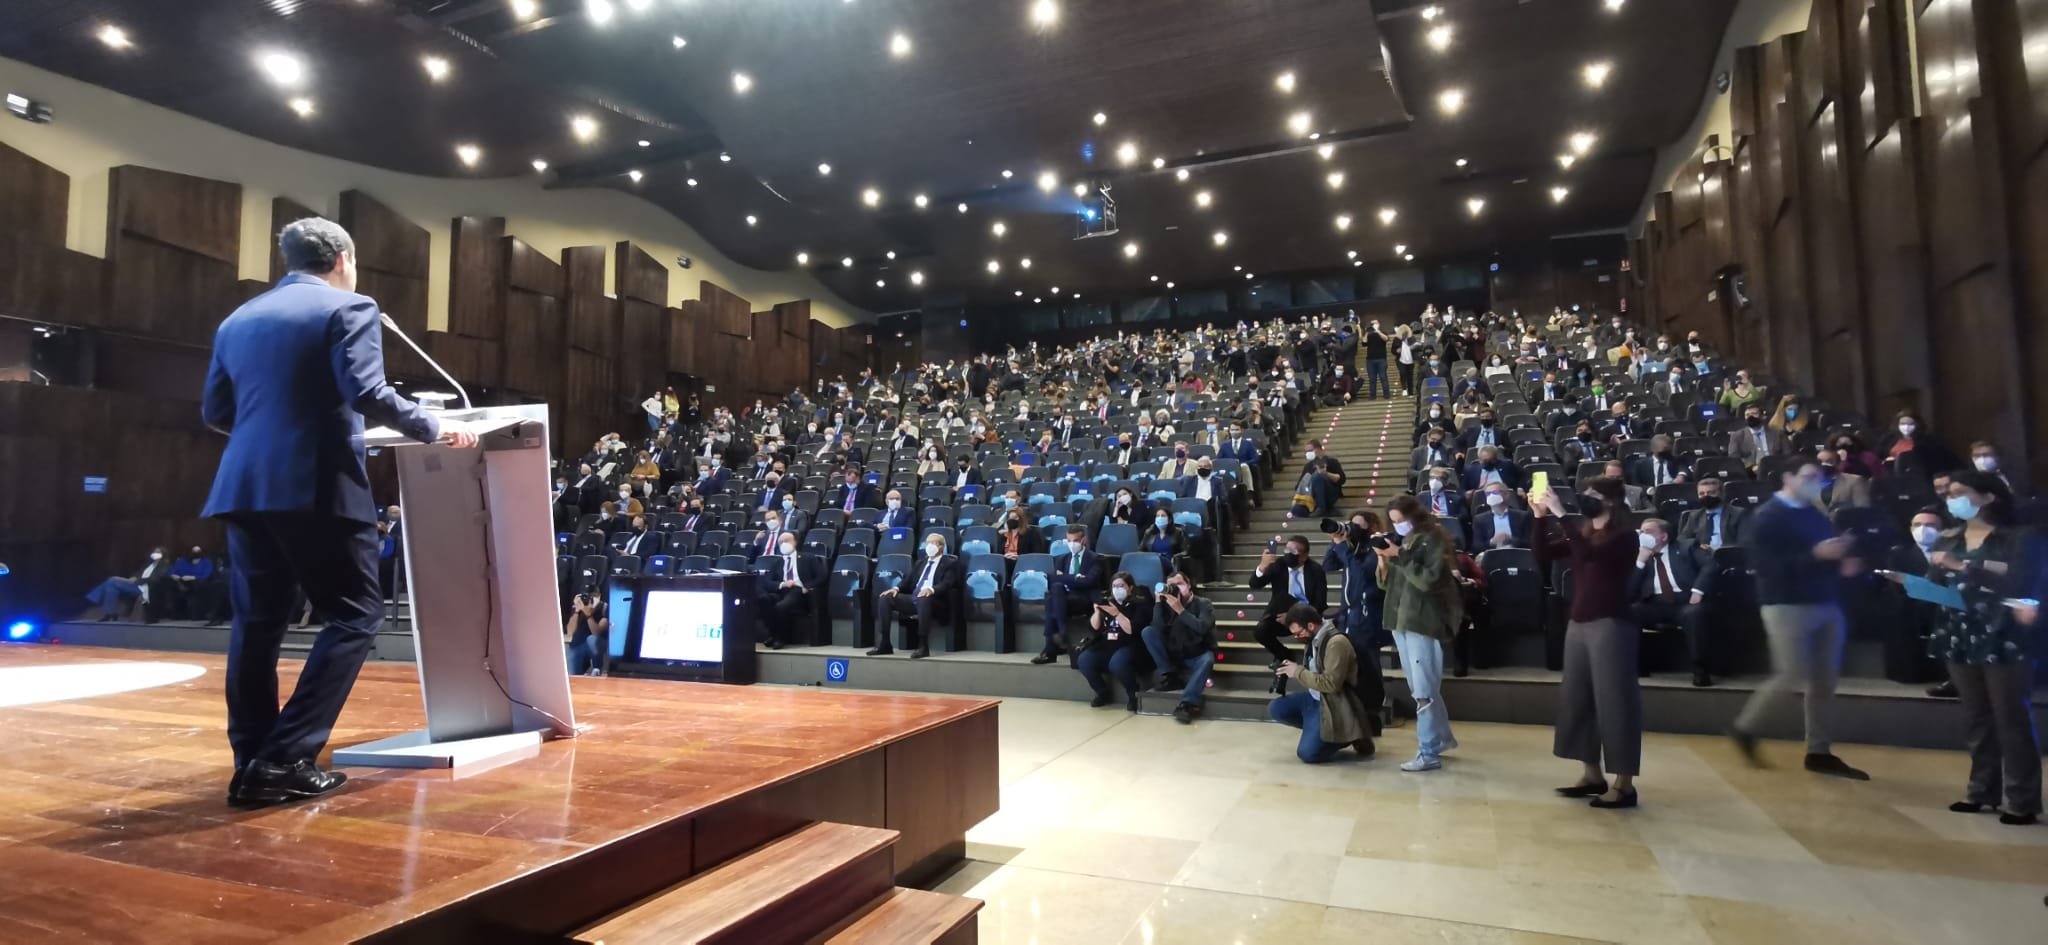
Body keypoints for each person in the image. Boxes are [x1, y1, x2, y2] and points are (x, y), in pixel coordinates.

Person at [201, 217, 477, 807]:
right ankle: (284, 757)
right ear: (344, 259)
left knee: (257, 625)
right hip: (316, 484)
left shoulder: (237, 319)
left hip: (245, 485)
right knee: (355, 614)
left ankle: (250, 759)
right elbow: (367, 392)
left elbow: (216, 410)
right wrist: (434, 425)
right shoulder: (349, 307)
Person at [1907, 471, 2040, 824]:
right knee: (1976, 717)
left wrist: (1965, 567)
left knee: (2010, 718)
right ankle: (1981, 791)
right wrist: (1913, 579)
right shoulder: (1950, 537)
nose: (1952, 499)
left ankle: (2022, 799)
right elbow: (1938, 587)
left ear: (1988, 497)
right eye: (1949, 494)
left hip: (2004, 632)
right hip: (1959, 631)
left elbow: (2019, 582)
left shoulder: (2018, 538)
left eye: (1960, 492)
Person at [1730, 461, 1869, 780]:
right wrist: (1817, 556)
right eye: (1808, 477)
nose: (1815, 482)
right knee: (1790, 673)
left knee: (1825, 680)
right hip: (1785, 604)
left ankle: (1818, 751)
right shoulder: (1766, 517)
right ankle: (1745, 728)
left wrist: (1842, 559)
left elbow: (1824, 553)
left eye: (1819, 478)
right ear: (1787, 477)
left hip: (1825, 601)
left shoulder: (1814, 513)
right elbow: (1766, 568)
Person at [1534, 475, 1644, 806]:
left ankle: (1624, 783)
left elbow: (1592, 557)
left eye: (1593, 494)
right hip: (1579, 623)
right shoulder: (1584, 532)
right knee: (1578, 700)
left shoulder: (1625, 537)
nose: (1585, 497)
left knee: (1615, 703)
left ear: (1610, 500)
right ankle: (1592, 773)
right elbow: (1542, 553)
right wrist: (1540, 517)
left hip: (1611, 623)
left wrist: (1562, 515)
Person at [1379, 495, 1461, 772]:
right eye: (1394, 522)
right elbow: (1390, 584)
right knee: (1420, 687)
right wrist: (1384, 561)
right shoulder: (1407, 541)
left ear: (1415, 516)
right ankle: (1440, 740)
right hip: (1400, 619)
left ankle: (1428, 752)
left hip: (1422, 621)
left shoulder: (1433, 538)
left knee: (1424, 690)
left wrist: (1399, 556)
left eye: (1401, 521)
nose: (1398, 526)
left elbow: (1429, 580)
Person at [1266, 604, 1378, 763]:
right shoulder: (1314, 639)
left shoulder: (1336, 643)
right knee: (1276, 708)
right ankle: (1318, 730)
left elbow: (1331, 684)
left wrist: (1298, 672)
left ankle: (1349, 734)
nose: (1297, 638)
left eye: (1298, 634)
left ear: (1311, 626)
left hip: (1335, 702)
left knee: (1308, 754)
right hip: (1315, 698)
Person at [1249, 535, 1328, 693]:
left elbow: (1319, 603)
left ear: (1304, 556)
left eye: (1294, 551)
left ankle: (1294, 669)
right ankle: (1284, 655)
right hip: (1280, 615)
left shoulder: (1316, 570)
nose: (1289, 554)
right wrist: (1262, 567)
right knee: (1261, 631)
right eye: (1287, 549)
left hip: (1307, 617)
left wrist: (1295, 616)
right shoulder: (1279, 565)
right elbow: (1254, 584)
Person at [870, 532, 963, 659]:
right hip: (914, 598)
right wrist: (895, 588)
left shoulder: (950, 563)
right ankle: (884, 643)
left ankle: (923, 645)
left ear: (941, 547)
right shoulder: (920, 562)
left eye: (933, 543)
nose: (929, 546)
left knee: (924, 598)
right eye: (927, 543)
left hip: (935, 601)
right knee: (885, 598)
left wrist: (931, 589)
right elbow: (907, 581)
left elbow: (947, 583)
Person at [1144, 572, 1220, 724]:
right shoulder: (1166, 605)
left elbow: (1202, 627)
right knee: (1148, 632)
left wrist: (1181, 611)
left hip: (1196, 653)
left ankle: (1188, 703)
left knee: (1207, 660)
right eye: (1171, 585)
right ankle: (1170, 675)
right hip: (1174, 653)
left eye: (1179, 584)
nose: (1176, 588)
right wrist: (1159, 604)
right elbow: (1157, 629)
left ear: (1188, 584)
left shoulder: (1203, 603)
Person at [1075, 572, 1154, 710]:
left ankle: (1133, 694)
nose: (1117, 589)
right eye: (1114, 586)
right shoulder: (1108, 602)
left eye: (1121, 586)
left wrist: (1117, 614)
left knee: (1117, 663)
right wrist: (1097, 612)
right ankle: (1102, 691)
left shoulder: (1140, 604)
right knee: (1084, 660)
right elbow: (1094, 628)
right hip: (1107, 644)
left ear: (1130, 587)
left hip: (1130, 644)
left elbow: (1132, 630)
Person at [1033, 525, 1100, 664]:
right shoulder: (1062, 559)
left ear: (1084, 540)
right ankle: (1062, 630)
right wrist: (1076, 578)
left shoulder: (1093, 558)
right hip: (1063, 598)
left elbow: (1089, 581)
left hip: (1083, 599)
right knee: (1056, 591)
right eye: (1069, 541)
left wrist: (1066, 578)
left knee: (1053, 599)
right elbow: (1052, 579)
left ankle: (1050, 649)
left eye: (1075, 540)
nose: (1072, 544)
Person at [755, 531, 824, 649]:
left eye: (787, 541)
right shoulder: (777, 562)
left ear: (795, 542)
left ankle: (780, 638)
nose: (784, 544)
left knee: (781, 606)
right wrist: (782, 584)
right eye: (781, 542)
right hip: (782, 591)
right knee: (763, 599)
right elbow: (767, 582)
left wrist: (806, 587)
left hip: (799, 591)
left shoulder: (808, 558)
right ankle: (773, 634)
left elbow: (821, 576)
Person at [86, 547, 174, 622]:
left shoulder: (164, 566)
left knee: (112, 580)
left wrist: (137, 580)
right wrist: (133, 577)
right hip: (136, 585)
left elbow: (155, 579)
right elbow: (137, 574)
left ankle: (95, 598)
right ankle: (110, 613)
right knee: (111, 585)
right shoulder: (147, 565)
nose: (155, 553)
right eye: (154, 552)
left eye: (158, 552)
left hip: (147, 588)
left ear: (163, 555)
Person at [1471, 483, 1532, 549]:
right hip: (1492, 555)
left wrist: (1510, 539)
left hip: (1518, 553)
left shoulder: (1523, 516)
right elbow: (1477, 546)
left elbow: (1529, 543)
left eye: (1495, 492)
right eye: (1488, 494)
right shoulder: (1479, 519)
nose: (1491, 495)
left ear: (1506, 494)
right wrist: (1492, 542)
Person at [563, 591, 609, 676]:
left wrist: (589, 615)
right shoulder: (578, 609)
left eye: (592, 598)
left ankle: (596, 669)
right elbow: (570, 631)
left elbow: (596, 632)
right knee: (572, 675)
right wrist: (577, 611)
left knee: (591, 639)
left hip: (596, 644)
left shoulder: (603, 607)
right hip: (578, 645)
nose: (588, 601)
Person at [1362, 321, 1391, 400]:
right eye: (1372, 324)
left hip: (1381, 358)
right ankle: (1372, 395)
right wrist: (1367, 332)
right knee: (1372, 379)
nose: (1374, 325)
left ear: (1379, 324)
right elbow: (1364, 342)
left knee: (1383, 377)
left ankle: (1386, 395)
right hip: (1370, 360)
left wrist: (1378, 331)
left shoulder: (1382, 332)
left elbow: (1386, 339)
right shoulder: (1369, 334)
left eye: (1376, 323)